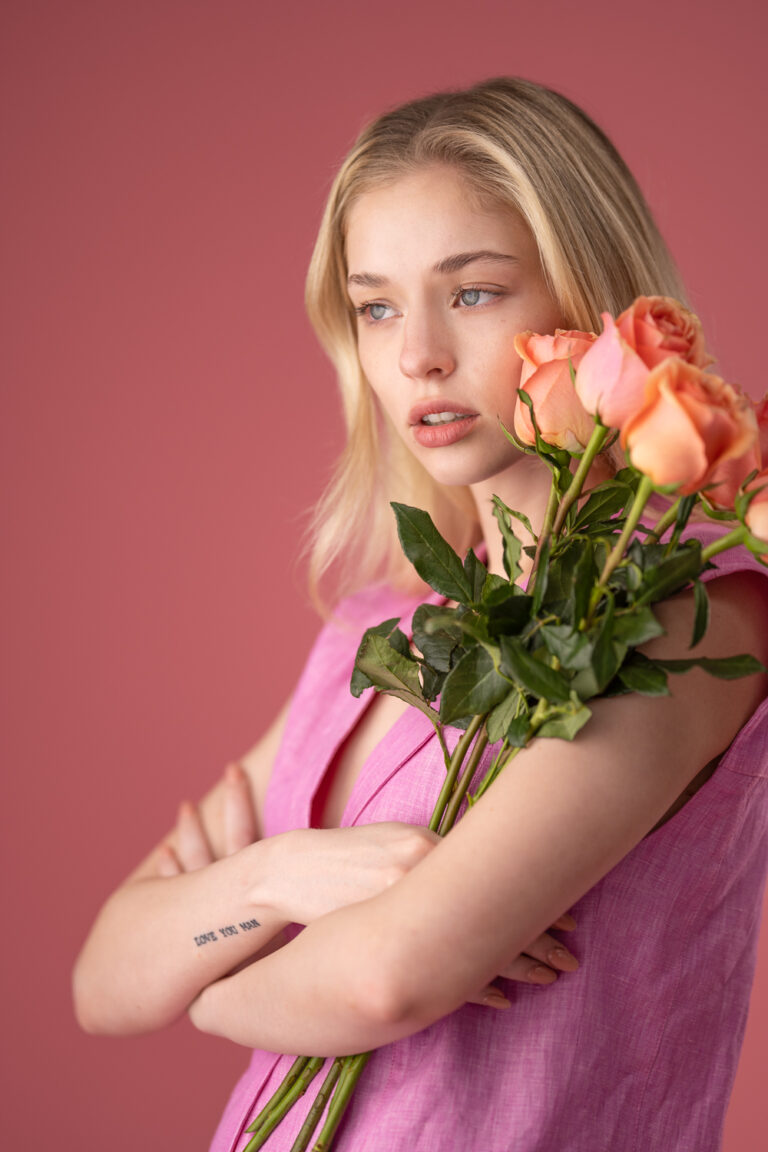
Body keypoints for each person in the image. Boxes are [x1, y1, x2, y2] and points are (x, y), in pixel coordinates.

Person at [73, 77, 768, 1151]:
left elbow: (386, 979)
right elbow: (105, 980)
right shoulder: (373, 633)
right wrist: (276, 880)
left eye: (474, 293)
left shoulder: (691, 616)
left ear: (592, 300)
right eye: (378, 306)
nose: (417, 356)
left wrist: (205, 979)